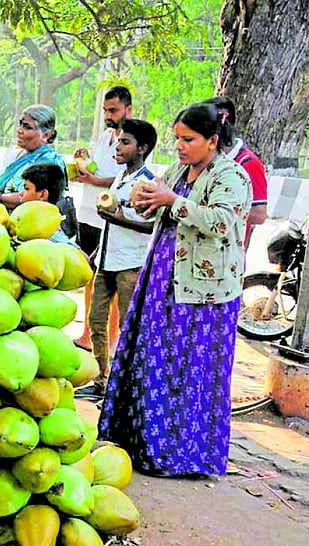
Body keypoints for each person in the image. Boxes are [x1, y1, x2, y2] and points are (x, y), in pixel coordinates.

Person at [97, 102, 251, 477]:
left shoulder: (231, 176)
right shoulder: (179, 170)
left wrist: (173, 201)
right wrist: (146, 201)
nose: (180, 146)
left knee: (189, 369)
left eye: (189, 139)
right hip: (163, 280)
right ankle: (142, 442)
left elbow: (219, 222)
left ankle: (181, 453)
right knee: (154, 358)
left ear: (212, 140)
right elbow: (159, 201)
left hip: (203, 294)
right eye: (178, 139)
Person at [81, 118, 158, 400]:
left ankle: (125, 387)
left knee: (127, 326)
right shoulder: (119, 178)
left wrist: (119, 218)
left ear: (142, 148)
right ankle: (102, 379)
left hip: (130, 263)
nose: (118, 146)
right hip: (106, 259)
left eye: (125, 142)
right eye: (119, 141)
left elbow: (151, 226)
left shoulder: (147, 182)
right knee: (96, 321)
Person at [73, 86, 135, 352]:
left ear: (128, 109)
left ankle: (110, 341)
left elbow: (128, 176)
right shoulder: (105, 136)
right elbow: (99, 169)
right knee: (90, 278)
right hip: (88, 214)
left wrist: (96, 179)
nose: (108, 115)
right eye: (106, 110)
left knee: (108, 284)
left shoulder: (135, 138)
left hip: (110, 220)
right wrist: (83, 164)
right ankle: (88, 332)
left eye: (114, 110)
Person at [203, 96, 267, 245]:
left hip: (225, 252)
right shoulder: (203, 158)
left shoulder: (248, 163)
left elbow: (259, 214)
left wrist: (216, 213)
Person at [0, 104, 67, 209]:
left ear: (46, 135)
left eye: (27, 127)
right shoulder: (16, 155)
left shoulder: (50, 161)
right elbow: (0, 185)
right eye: (20, 124)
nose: (19, 130)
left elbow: (32, 198)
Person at [19, 162, 78, 242]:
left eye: (26, 188)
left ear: (42, 195)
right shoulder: (29, 220)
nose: (20, 193)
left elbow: (74, 249)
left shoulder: (51, 233)